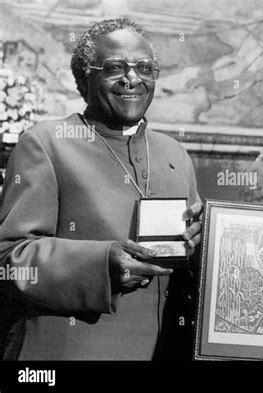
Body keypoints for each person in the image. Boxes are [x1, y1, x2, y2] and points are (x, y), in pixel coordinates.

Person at [0, 18, 202, 360]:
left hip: (168, 350)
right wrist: (100, 264)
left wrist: (201, 240)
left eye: (144, 67)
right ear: (85, 75)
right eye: (114, 67)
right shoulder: (47, 144)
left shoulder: (173, 152)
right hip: (74, 351)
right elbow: (10, 258)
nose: (132, 78)